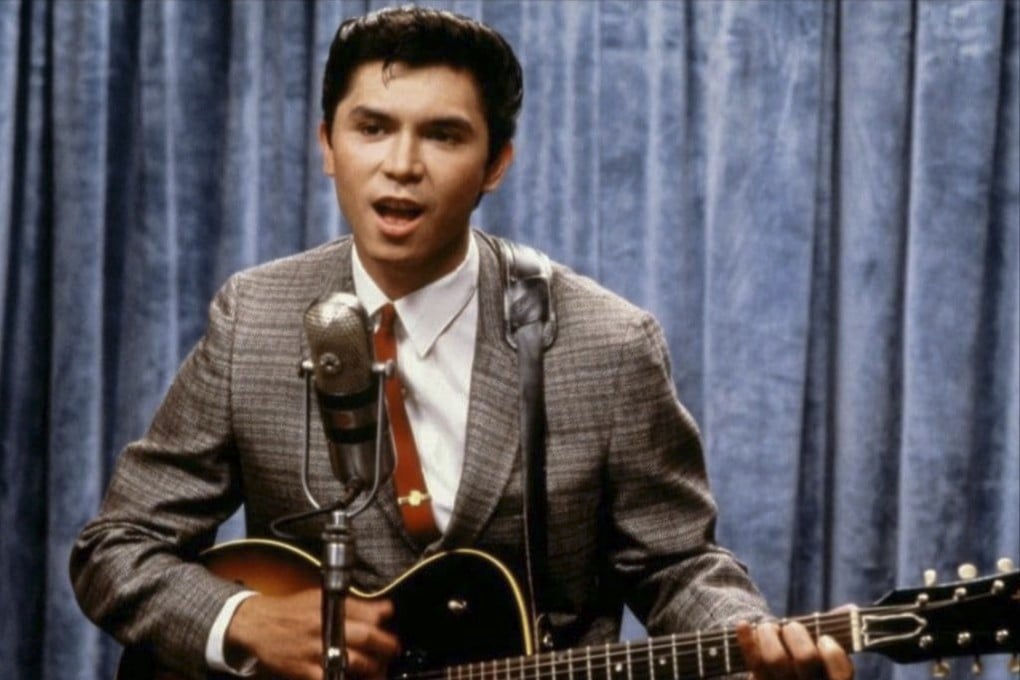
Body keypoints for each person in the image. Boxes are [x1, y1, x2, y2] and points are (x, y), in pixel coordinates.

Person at [70, 7, 854, 680]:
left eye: (443, 136)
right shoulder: (255, 316)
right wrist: (242, 619)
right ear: (327, 145)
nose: (402, 165)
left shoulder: (609, 344)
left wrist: (751, 639)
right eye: (373, 128)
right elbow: (117, 548)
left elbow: (677, 565)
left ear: (496, 165)